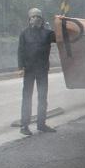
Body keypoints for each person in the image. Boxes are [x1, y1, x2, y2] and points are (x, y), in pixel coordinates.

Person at [18, 7, 57, 135]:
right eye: (33, 17)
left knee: (42, 97)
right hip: (29, 70)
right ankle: (24, 126)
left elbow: (60, 38)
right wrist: (20, 67)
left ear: (42, 19)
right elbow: (21, 51)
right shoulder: (24, 33)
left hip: (42, 70)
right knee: (27, 98)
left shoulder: (48, 33)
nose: (35, 19)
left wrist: (58, 24)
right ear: (29, 20)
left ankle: (41, 124)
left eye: (38, 17)